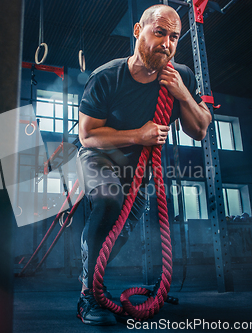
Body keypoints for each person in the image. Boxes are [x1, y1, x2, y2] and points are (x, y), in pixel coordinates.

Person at [75, 4, 212, 325]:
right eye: (159, 32)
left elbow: (200, 128)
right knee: (109, 201)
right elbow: (88, 136)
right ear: (138, 31)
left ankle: (92, 275)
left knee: (120, 231)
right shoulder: (107, 77)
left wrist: (183, 94)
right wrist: (138, 134)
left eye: (174, 37)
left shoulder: (181, 77)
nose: (166, 43)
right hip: (101, 156)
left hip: (139, 170)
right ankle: (87, 296)